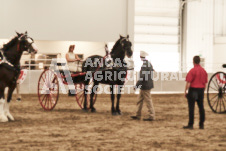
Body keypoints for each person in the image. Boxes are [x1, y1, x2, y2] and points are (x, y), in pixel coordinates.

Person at [184, 56, 208, 129]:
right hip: (201, 90)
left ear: (193, 61)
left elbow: (188, 83)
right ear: (199, 61)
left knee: (191, 108)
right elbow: (205, 84)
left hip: (193, 90)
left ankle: (191, 124)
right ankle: (201, 124)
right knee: (201, 107)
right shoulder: (204, 71)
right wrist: (203, 91)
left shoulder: (192, 71)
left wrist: (186, 91)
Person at [131, 50, 155, 121]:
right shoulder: (149, 64)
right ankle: (137, 114)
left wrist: (136, 86)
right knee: (140, 100)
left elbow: (142, 77)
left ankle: (151, 116)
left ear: (140, 57)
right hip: (146, 85)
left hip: (145, 85)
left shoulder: (144, 65)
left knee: (148, 100)